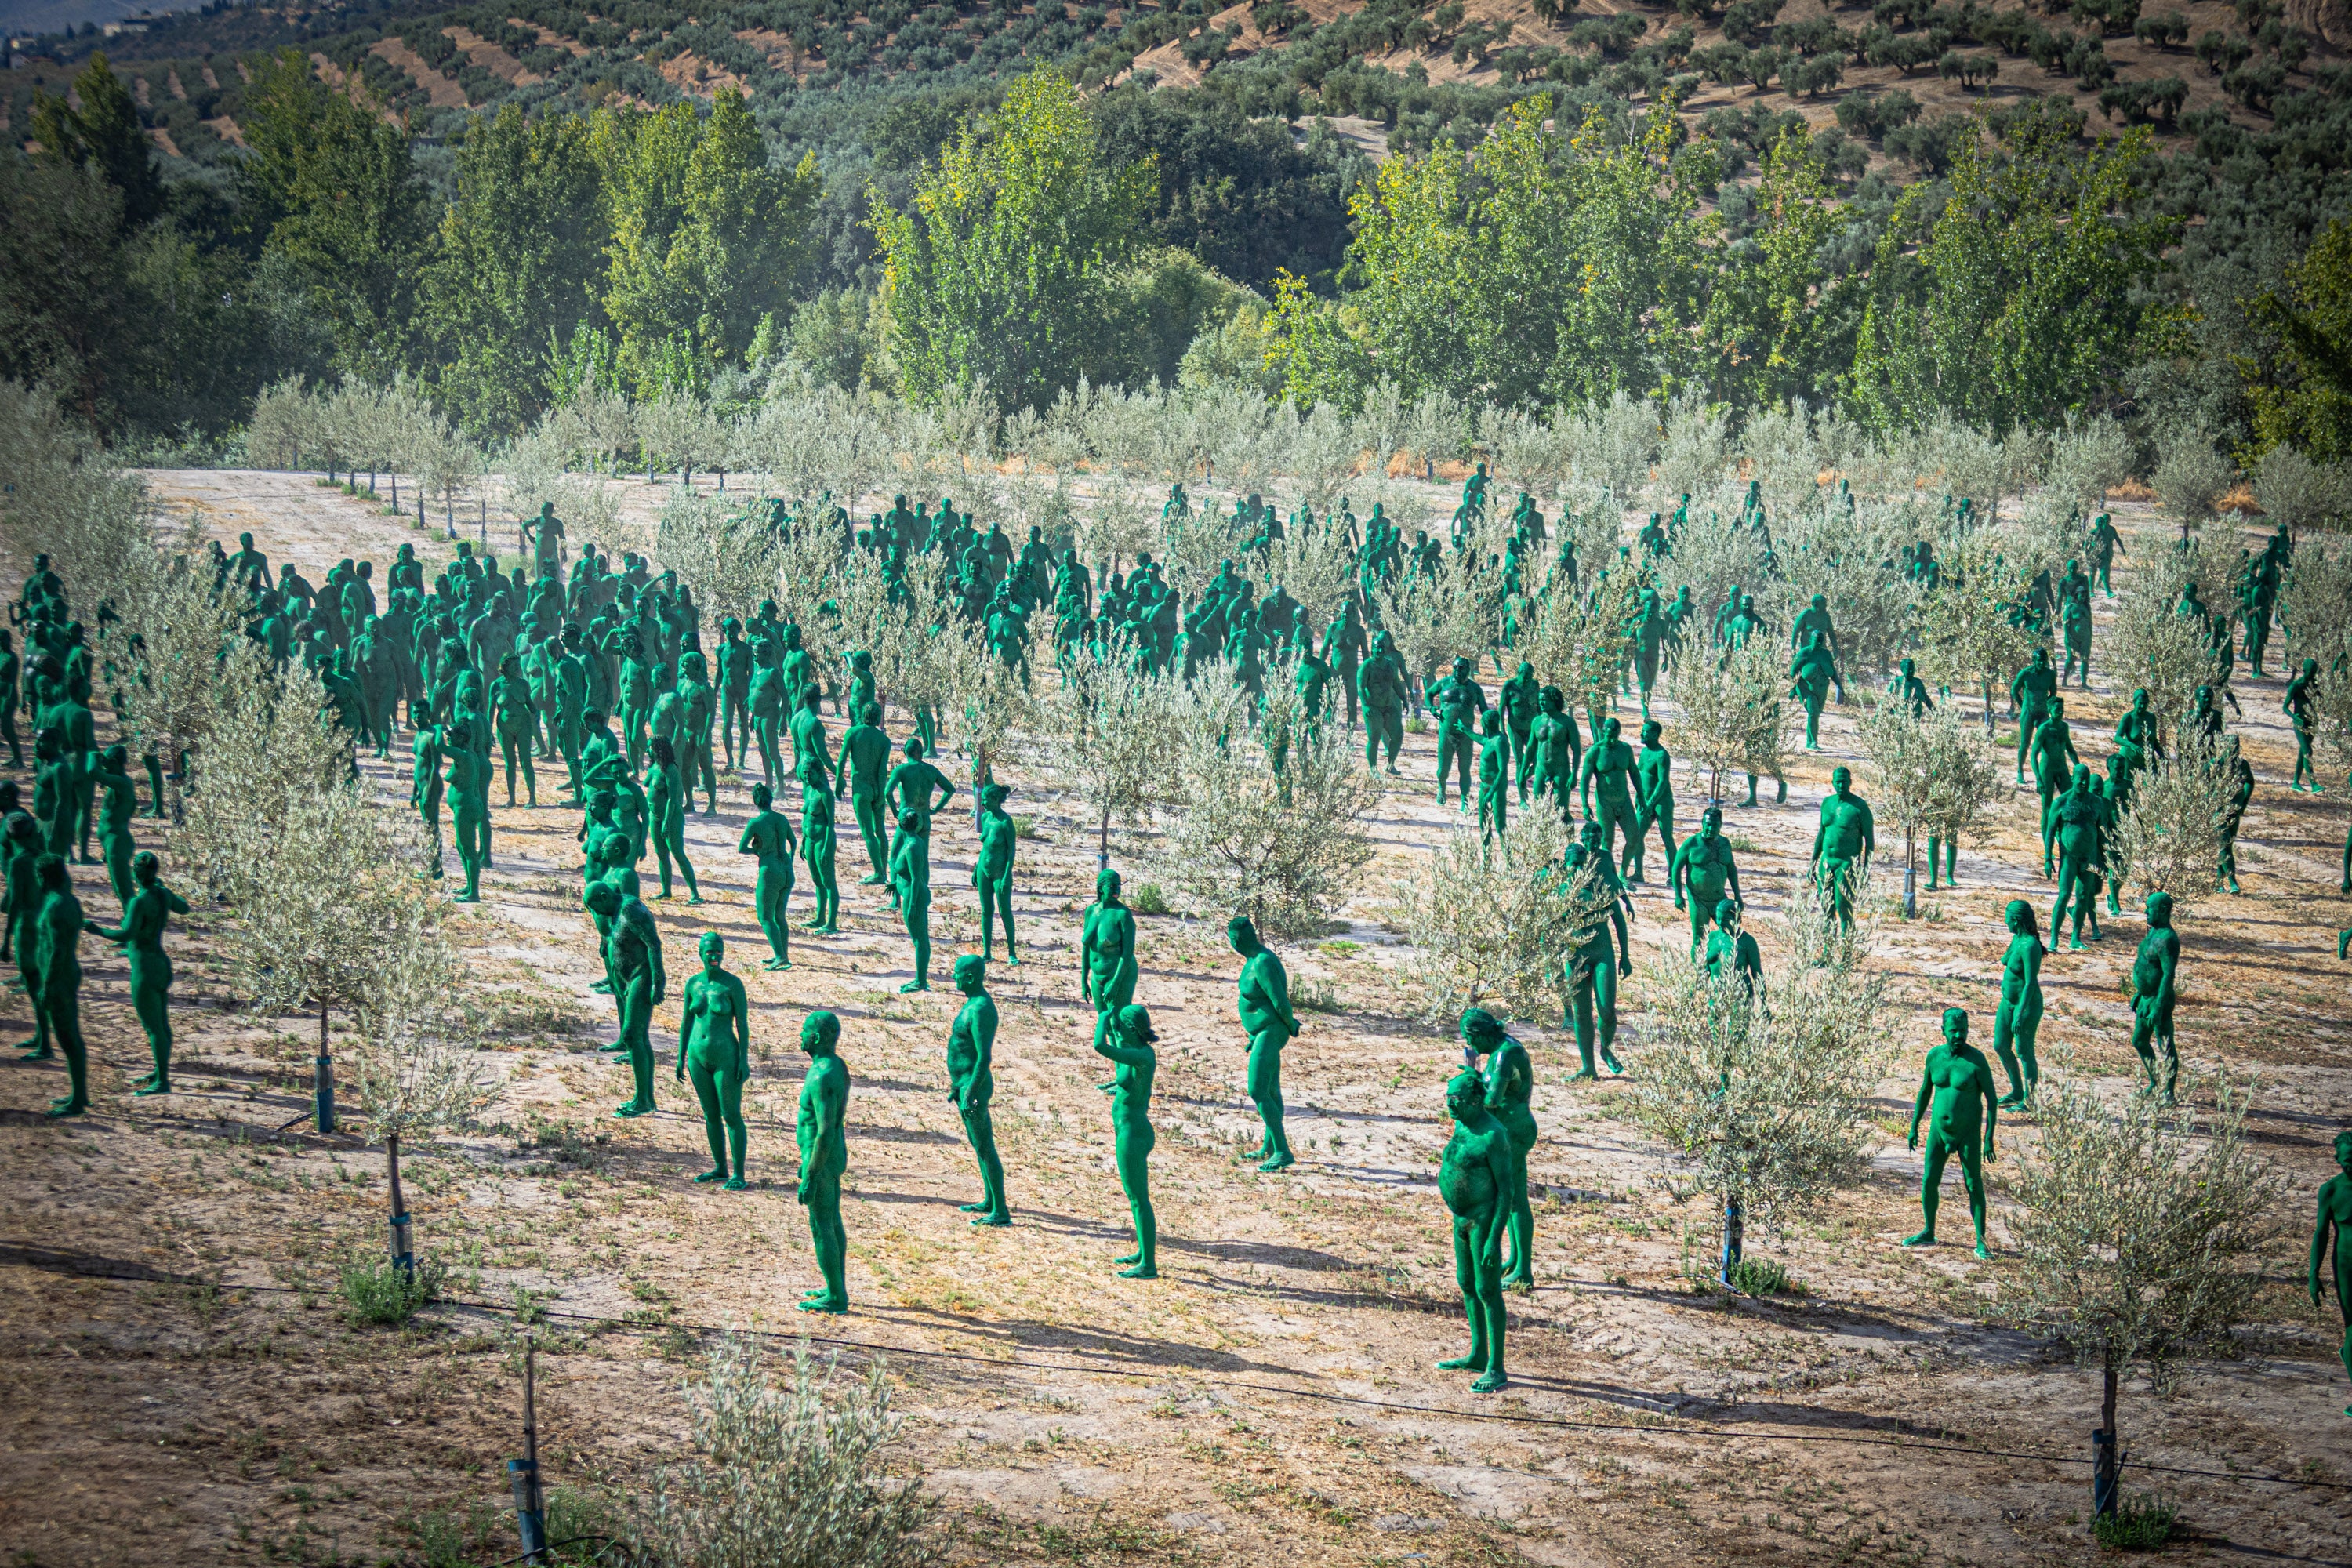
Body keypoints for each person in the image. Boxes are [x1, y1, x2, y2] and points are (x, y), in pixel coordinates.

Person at [1436, 1068, 1512, 1393]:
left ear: (1477, 1100)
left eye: (1459, 1100)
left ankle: (1497, 1367)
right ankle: (1478, 1354)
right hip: (1460, 1219)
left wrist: (1494, 1240)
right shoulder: (1461, 1124)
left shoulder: (1493, 1136)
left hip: (1482, 1219)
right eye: (1449, 1098)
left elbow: (1506, 1191)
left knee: (1488, 1289)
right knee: (1467, 1284)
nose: (1451, 1105)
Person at [1902, 1007, 1998, 1260]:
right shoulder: (1935, 1057)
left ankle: (1981, 1242)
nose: (1959, 1035)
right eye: (1953, 1030)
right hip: (1938, 1131)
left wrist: (1989, 1138)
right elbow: (1925, 1092)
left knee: (1973, 1184)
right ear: (1943, 1030)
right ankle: (1928, 1231)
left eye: (1963, 1030)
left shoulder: (1976, 1061)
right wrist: (1914, 1127)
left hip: (1968, 1133)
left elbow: (1992, 1099)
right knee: (1929, 1180)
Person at [90, 850, 187, 1097]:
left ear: (136, 874)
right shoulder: (162, 895)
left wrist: (96, 930)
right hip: (161, 964)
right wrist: (163, 888)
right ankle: (159, 1071)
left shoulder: (138, 902)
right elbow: (184, 908)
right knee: (162, 1025)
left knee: (154, 1027)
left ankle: (163, 1081)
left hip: (144, 968)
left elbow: (126, 934)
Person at [1460, 1007, 1538, 1289]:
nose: (1472, 1046)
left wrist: (1470, 1080)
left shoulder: (1505, 1055)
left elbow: (1492, 1100)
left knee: (1516, 1200)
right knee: (1514, 1196)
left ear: (1479, 1034)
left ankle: (1524, 1272)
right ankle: (1516, 1261)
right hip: (1510, 1129)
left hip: (1515, 1131)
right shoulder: (1503, 1049)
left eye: (1471, 1039)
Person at [676, 932, 751, 1190]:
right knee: (710, 1115)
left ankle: (738, 1173)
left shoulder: (732, 985)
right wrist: (680, 1056)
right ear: (700, 953)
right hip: (697, 1056)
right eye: (709, 951)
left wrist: (744, 1059)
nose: (714, 956)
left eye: (718, 951)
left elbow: (742, 1023)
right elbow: (686, 1022)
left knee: (731, 1114)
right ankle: (720, 1167)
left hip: (725, 1056)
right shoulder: (693, 984)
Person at [1093, 1002, 1160, 1279]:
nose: (1117, 1030)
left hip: (1134, 1133)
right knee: (1134, 1198)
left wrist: (1103, 1018)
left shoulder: (1143, 1057)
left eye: (1121, 1026)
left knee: (1139, 1200)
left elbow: (1100, 1046)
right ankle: (1142, 1252)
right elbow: (1116, 1048)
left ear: (1131, 1029)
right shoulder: (1132, 1054)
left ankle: (1149, 1265)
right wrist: (1112, 1022)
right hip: (1128, 1131)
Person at [586, 880, 664, 1118]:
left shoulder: (630, 909)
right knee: (640, 1037)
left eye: (596, 907)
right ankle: (646, 1099)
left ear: (603, 896)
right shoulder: (615, 909)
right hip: (628, 979)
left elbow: (653, 944)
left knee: (632, 1034)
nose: (597, 913)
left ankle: (642, 1100)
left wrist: (658, 982)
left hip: (642, 975)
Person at [1229, 915, 1301, 1173]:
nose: (1231, 943)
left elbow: (1280, 1001)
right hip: (1262, 1033)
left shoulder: (1262, 962)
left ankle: (1282, 1151)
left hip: (1272, 1032)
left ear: (1240, 938)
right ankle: (1270, 1146)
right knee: (1272, 1091)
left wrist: (1291, 1025)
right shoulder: (1253, 960)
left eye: (1232, 939)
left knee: (1257, 1089)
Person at [1563, 824, 1631, 1078]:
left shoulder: (1601, 887)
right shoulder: (1561, 892)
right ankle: (1588, 1067)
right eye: (1575, 864)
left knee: (1607, 1010)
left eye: (1584, 864)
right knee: (1581, 1014)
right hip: (1575, 957)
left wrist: (1625, 956)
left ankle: (1606, 1049)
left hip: (1602, 953)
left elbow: (1619, 922)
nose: (1580, 870)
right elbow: (1550, 928)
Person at [947, 954, 1011, 1226]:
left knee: (986, 1148)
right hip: (965, 1086)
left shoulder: (980, 1010)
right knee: (978, 1145)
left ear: (970, 977)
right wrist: (958, 1087)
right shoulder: (973, 1005)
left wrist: (970, 1090)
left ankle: (1001, 1211)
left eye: (957, 973)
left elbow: (984, 1057)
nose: (954, 978)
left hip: (975, 1088)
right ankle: (989, 1200)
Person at [795, 1010, 851, 1312]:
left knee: (822, 1227)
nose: (801, 1035)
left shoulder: (821, 1075)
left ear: (816, 1038)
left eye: (805, 1031)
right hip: (828, 1155)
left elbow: (824, 1131)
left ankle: (836, 1297)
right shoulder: (836, 1066)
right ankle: (834, 1285)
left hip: (824, 1157)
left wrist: (811, 1174)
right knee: (833, 1223)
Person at [2310, 1131, 2352, 1419]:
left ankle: (2348, 1354)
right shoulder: (2331, 1190)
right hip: (2348, 1266)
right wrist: (2314, 1274)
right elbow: (2321, 1234)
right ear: (2336, 1158)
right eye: (2347, 1159)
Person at [736, 782, 797, 969]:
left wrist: (757, 852)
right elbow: (793, 843)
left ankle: (780, 957)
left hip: (769, 870)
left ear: (755, 802)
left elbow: (741, 848)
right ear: (770, 799)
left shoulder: (756, 823)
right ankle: (782, 955)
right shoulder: (782, 818)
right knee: (780, 916)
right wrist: (789, 860)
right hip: (786, 869)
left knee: (765, 917)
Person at [1991, 901, 2045, 1109]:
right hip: (2008, 1002)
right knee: (2000, 1045)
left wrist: (2020, 1013)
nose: (2005, 922)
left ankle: (2030, 1099)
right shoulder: (2017, 940)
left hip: (2026, 1005)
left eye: (2007, 918)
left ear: (2015, 919)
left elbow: (2031, 982)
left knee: (2024, 1051)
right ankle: (2016, 1090)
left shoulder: (2030, 945)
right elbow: (2005, 960)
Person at [2130, 891, 2181, 1105]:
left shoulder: (2168, 939)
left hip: (2159, 999)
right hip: (2146, 997)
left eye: (2149, 907)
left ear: (2161, 910)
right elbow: (2147, 966)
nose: (2146, 911)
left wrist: (2159, 1005)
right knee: (2140, 1041)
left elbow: (2168, 974)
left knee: (2165, 1043)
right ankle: (2154, 1081)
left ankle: (2169, 1091)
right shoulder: (2152, 933)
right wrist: (2139, 993)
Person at [1080, 867, 1138, 1055]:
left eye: (1119, 885)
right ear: (1100, 888)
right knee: (1105, 1023)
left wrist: (1116, 982)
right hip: (1098, 976)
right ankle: (1119, 1072)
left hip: (1120, 973)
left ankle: (1126, 1078)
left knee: (1118, 1024)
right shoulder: (1091, 912)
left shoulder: (1122, 914)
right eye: (1112, 886)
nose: (1116, 890)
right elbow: (1086, 948)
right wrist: (1084, 979)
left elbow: (1128, 953)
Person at [1671, 806, 1742, 955]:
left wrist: (1738, 895)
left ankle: (1726, 970)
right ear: (1702, 823)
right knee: (1699, 939)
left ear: (1721, 825)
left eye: (1714, 825)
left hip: (1719, 899)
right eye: (1707, 824)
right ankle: (1699, 974)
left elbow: (1731, 869)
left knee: (1733, 933)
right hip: (1699, 900)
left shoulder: (1725, 844)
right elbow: (1676, 869)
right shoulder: (1692, 844)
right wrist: (1678, 895)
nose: (1710, 828)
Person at [1810, 767, 1875, 930]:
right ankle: (1828, 951)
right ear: (1832, 782)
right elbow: (1822, 833)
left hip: (1847, 864)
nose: (1841, 786)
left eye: (1844, 782)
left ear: (1850, 782)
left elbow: (1870, 841)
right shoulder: (1827, 803)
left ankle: (1846, 952)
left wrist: (1865, 870)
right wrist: (1813, 861)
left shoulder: (1859, 807)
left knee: (1843, 908)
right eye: (1837, 782)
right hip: (1826, 862)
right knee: (1826, 909)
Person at [837, 701, 894, 882]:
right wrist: (882, 793)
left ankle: (878, 873)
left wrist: (839, 781)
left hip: (860, 787)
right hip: (877, 787)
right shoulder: (884, 740)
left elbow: (841, 761)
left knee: (868, 833)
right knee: (881, 832)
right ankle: (883, 871)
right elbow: (882, 769)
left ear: (862, 715)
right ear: (878, 717)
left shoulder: (853, 733)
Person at [1577, 716, 1640, 875]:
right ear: (1604, 732)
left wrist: (1642, 796)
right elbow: (1585, 779)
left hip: (1624, 801)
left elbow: (1634, 772)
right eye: (1609, 736)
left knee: (1634, 839)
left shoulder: (1625, 749)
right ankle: (1607, 874)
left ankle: (1623, 873)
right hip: (1605, 804)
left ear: (1619, 733)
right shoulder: (1595, 751)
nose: (1612, 740)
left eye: (1615, 736)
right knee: (1607, 841)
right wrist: (1585, 804)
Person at [974, 782, 1019, 964]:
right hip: (983, 870)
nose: (982, 803)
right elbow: (985, 847)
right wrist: (977, 868)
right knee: (986, 911)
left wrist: (1007, 876)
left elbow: (1011, 851)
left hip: (1000, 873)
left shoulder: (1005, 823)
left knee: (1005, 911)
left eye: (985, 800)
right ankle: (987, 952)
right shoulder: (985, 818)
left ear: (995, 800)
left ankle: (1012, 952)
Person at [890, 808, 932, 993]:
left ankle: (920, 981)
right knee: (920, 939)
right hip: (912, 894)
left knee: (920, 940)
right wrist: (896, 885)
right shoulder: (916, 842)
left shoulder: (912, 846)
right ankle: (920, 979)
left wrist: (913, 904)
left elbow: (916, 878)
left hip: (914, 897)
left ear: (900, 825)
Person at [1629, 719, 1675, 883]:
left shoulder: (1662, 755)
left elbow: (1662, 782)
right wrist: (1640, 798)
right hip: (1645, 800)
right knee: (1636, 836)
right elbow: (1641, 775)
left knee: (1667, 837)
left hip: (1662, 802)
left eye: (1646, 731)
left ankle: (1672, 875)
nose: (1642, 734)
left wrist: (1651, 803)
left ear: (1655, 734)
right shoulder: (1644, 752)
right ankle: (1639, 872)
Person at [800, 757, 840, 934]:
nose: (807, 777)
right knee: (817, 880)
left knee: (828, 881)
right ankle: (820, 917)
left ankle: (832, 923)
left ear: (819, 773)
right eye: (805, 773)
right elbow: (806, 817)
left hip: (823, 840)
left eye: (810, 773)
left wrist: (826, 847)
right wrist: (802, 840)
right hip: (809, 839)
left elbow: (831, 823)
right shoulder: (809, 790)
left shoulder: (826, 793)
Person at [1704, 898, 1762, 998]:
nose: (1720, 923)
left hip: (1740, 995)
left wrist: (1764, 1006)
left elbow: (1757, 975)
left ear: (1737, 919)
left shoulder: (1747, 942)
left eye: (1725, 920)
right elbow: (1705, 970)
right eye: (1718, 918)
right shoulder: (1712, 937)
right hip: (1715, 995)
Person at [2288, 659, 2323, 793]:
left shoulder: (2313, 685)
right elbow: (2285, 706)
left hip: (2312, 722)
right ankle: (2313, 784)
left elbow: (2322, 701)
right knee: (2308, 751)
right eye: (2312, 672)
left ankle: (2296, 782)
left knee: (2303, 751)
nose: (2313, 675)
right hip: (2300, 724)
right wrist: (2293, 716)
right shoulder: (2296, 686)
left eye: (2315, 672)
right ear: (2305, 671)